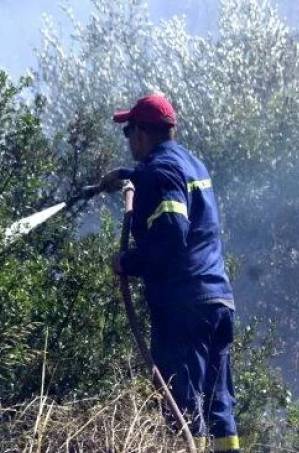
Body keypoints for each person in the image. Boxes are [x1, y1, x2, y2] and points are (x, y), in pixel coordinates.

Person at [100, 93, 239, 453]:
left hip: (184, 307)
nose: (129, 139)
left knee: (183, 405)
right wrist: (128, 175)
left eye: (128, 131)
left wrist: (127, 262)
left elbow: (172, 231)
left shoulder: (156, 172)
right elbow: (171, 186)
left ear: (143, 133)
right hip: (217, 301)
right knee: (218, 402)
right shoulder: (191, 163)